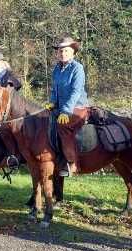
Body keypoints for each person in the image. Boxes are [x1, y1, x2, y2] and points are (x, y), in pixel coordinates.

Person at [46, 37, 89, 177]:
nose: (62, 53)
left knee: (62, 126)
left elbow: (76, 92)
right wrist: (52, 102)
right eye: (60, 51)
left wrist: (65, 111)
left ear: (73, 52)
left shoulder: (78, 68)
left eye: (66, 51)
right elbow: (54, 89)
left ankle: (70, 163)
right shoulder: (57, 69)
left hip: (77, 108)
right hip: (60, 107)